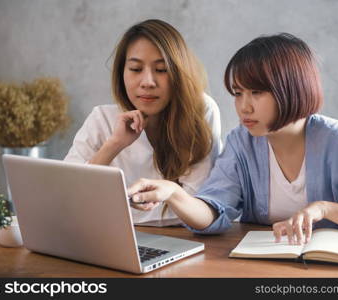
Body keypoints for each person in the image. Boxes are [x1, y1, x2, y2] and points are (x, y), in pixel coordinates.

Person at [128, 33, 338, 243]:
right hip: (265, 266)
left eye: (257, 92)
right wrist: (174, 193)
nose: (244, 107)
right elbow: (213, 213)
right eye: (237, 93)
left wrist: (325, 210)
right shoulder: (241, 144)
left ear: (292, 88)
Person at [65, 19, 222, 226]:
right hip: (113, 234)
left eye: (161, 69)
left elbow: (201, 202)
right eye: (136, 69)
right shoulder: (102, 118)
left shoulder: (201, 111)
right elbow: (67, 197)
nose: (147, 82)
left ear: (178, 73)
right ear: (122, 73)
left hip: (183, 236)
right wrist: (114, 144)